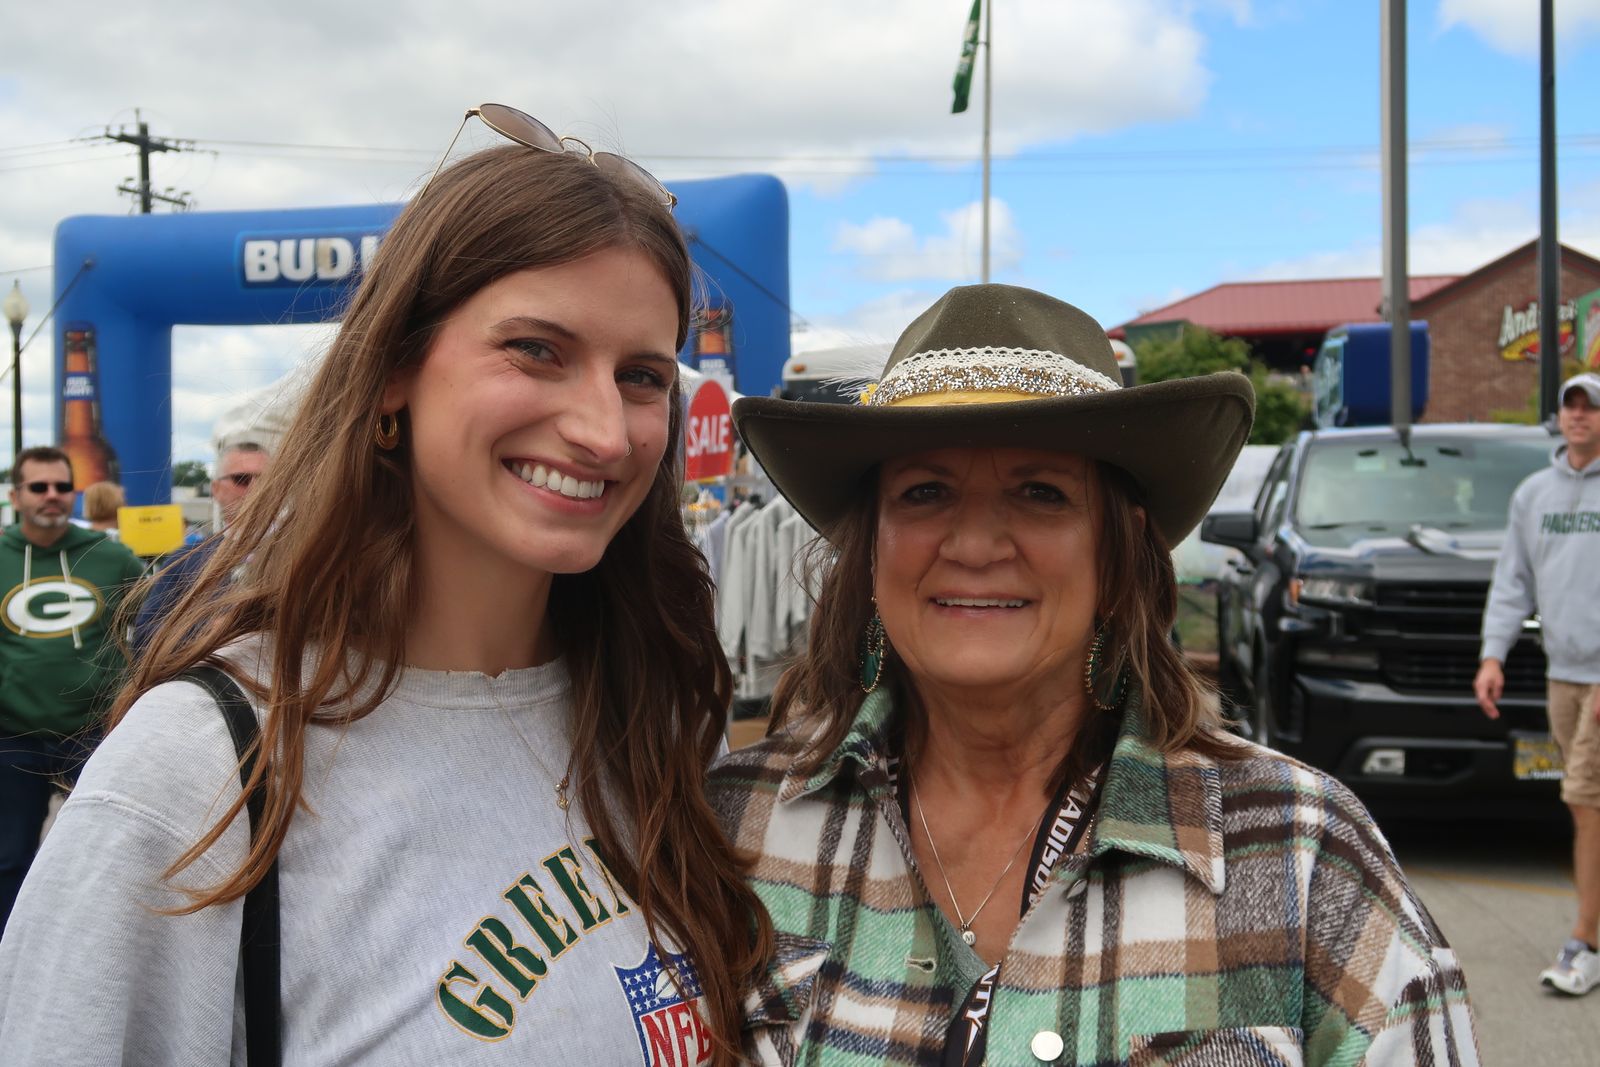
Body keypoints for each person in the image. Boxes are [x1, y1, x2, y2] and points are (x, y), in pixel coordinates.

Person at [0, 108, 768, 1064]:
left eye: (642, 376)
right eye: (538, 349)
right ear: (397, 365)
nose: (606, 432)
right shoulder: (199, 770)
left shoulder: (656, 707)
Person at [711, 285, 1479, 1066]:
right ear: (871, 547)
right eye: (925, 491)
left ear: (1119, 554)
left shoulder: (1299, 853)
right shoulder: (733, 830)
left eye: (1039, 493)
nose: (974, 544)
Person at [1475, 371, 1600, 996]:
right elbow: (1513, 581)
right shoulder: (1534, 494)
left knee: (1584, 799)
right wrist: (1492, 656)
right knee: (1588, 803)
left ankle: (1585, 944)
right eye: (1570, 405)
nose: (1579, 415)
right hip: (1563, 674)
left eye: (1591, 406)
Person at [0, 447, 144, 933]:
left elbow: (157, 624)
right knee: (8, 858)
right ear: (16, 496)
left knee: (106, 854)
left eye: (62, 486)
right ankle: (10, 958)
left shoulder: (111, 558)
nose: (52, 496)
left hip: (93, 733)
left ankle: (95, 945)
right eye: (38, 487)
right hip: (11, 738)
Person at [131, 439, 272, 654]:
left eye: (267, 480)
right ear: (216, 489)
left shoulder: (302, 552)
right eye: (241, 479)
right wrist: (207, 630)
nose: (255, 488)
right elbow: (144, 640)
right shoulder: (187, 559)